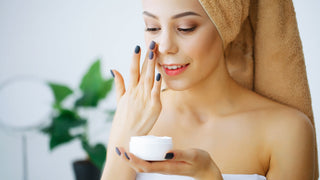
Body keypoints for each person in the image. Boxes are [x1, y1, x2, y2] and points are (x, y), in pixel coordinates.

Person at [101, 0, 317, 179]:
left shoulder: (286, 131)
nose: (165, 46)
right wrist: (123, 133)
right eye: (152, 27)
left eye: (186, 27)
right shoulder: (136, 115)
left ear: (226, 27)